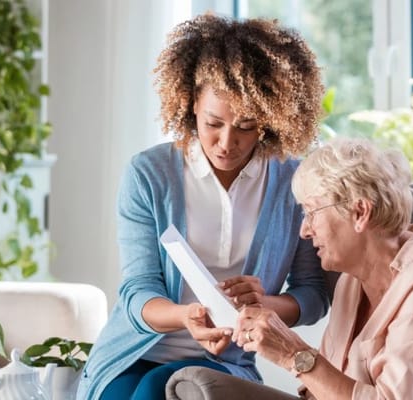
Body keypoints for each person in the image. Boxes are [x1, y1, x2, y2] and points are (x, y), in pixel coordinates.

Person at [76, 14, 330, 400]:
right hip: (135, 351)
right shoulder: (149, 174)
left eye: (246, 126)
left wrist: (264, 304)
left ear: (269, 119)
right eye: (214, 123)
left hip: (224, 359)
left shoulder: (293, 184)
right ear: (192, 103)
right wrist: (186, 317)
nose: (227, 142)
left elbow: (312, 295)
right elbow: (138, 291)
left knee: (152, 393)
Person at [233, 137, 413, 399]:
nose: (304, 231)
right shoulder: (351, 283)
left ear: (360, 213)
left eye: (312, 212)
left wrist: (292, 353)